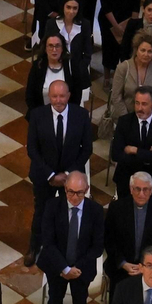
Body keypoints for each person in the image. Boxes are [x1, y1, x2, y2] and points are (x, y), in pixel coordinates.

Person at [25, 79, 93, 263]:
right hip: (44, 176)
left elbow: (86, 149)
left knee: (67, 213)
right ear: (49, 97)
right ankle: (34, 246)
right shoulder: (38, 115)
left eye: (62, 96)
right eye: (54, 96)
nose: (58, 100)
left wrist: (68, 175)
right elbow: (32, 149)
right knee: (41, 211)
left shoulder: (81, 115)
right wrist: (51, 175)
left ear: (69, 96)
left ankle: (62, 248)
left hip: (70, 179)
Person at [39, 172, 103, 304]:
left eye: (79, 193)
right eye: (71, 192)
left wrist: (75, 269)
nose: (74, 197)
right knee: (55, 301)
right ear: (65, 188)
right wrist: (65, 269)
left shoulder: (96, 211)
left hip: (82, 268)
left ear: (86, 190)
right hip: (56, 265)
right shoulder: (52, 206)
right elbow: (48, 242)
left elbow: (97, 247)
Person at [104, 171, 152, 295]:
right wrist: (123, 263)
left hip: (150, 268)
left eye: (146, 190)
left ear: (151, 190)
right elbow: (109, 239)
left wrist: (146, 266)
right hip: (120, 267)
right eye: (137, 189)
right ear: (131, 189)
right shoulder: (116, 208)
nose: (141, 194)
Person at [107, 32, 152, 123]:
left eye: (149, 51)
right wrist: (128, 119)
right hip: (124, 117)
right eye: (143, 50)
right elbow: (116, 97)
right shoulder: (123, 68)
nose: (146, 54)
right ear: (136, 50)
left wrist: (150, 117)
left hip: (147, 119)